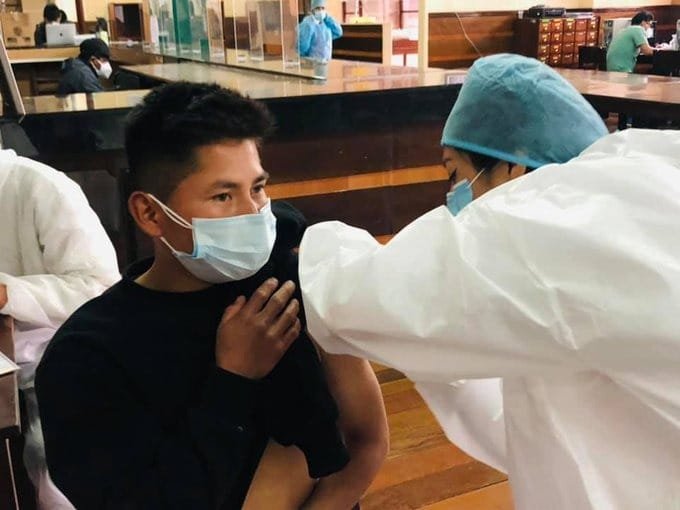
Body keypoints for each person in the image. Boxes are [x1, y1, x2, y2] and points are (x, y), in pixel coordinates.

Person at [298, 53, 680, 509]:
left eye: (456, 175)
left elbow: (369, 296)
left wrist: (290, 247)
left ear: (514, 166)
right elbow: (533, 429)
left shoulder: (564, 224)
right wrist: (438, 365)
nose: (452, 200)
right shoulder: (638, 183)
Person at [36, 82, 388, 510]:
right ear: (150, 213)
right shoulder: (88, 356)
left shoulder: (288, 283)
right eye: (223, 196)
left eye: (257, 188)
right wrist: (233, 380)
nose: (253, 213)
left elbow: (365, 440)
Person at [0, 149, 120, 509]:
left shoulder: (38, 186)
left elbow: (98, 288)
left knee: (57, 478)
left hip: (50, 360)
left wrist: (6, 293)